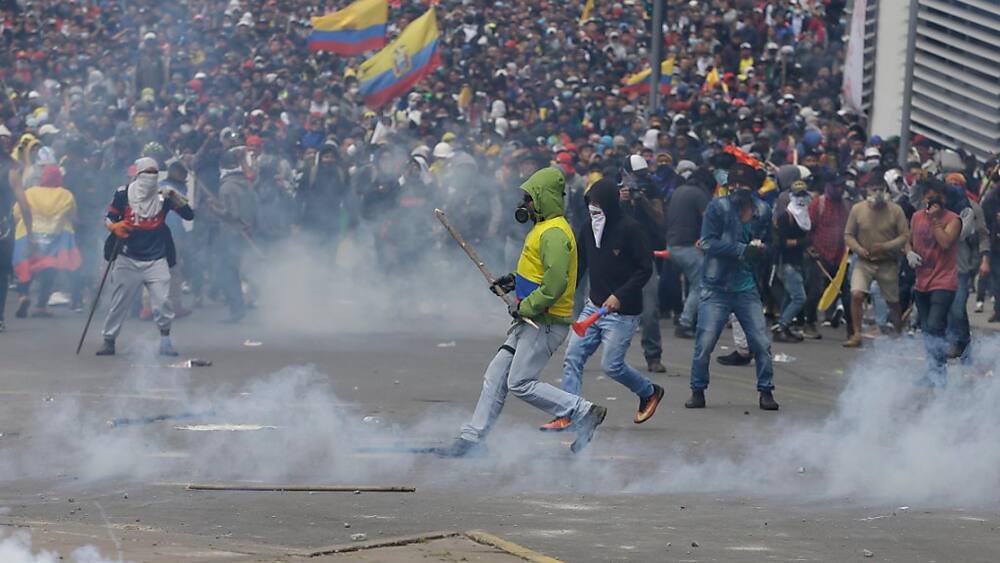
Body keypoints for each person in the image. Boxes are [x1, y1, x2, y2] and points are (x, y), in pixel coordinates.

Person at [437, 167, 606, 458]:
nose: (524, 204)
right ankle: (472, 438)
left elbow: (554, 286)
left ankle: (583, 411)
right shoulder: (543, 229)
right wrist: (514, 280)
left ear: (544, 198)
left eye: (529, 198)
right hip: (531, 320)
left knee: (520, 382)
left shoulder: (554, 233)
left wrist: (523, 306)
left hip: (545, 322)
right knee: (495, 375)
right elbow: (539, 273)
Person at [539, 179, 664, 432]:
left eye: (598, 204)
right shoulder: (587, 228)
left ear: (609, 203)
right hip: (592, 307)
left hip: (623, 313)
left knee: (611, 366)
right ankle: (570, 412)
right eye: (590, 204)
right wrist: (560, 295)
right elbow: (580, 266)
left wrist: (619, 295)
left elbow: (644, 269)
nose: (593, 209)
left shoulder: (631, 229)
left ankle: (649, 392)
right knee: (572, 357)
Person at [685, 163, 779, 411]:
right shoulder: (718, 207)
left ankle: (766, 391)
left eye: (742, 185)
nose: (737, 189)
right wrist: (741, 250)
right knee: (705, 342)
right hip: (717, 287)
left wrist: (761, 251)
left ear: (752, 188)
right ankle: (697, 390)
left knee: (761, 342)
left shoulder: (763, 210)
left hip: (747, 287)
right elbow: (706, 242)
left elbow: (770, 244)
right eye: (733, 185)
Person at [96, 157, 194, 357]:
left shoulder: (164, 196)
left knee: (163, 301)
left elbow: (189, 215)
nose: (150, 176)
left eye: (154, 172)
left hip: (156, 257)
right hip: (127, 256)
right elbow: (109, 218)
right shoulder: (123, 194)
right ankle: (109, 340)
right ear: (137, 174)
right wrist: (113, 227)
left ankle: (165, 340)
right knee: (119, 302)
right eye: (146, 172)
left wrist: (176, 197)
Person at [906, 180, 961, 386]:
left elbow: (945, 242)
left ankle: (939, 374)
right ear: (923, 199)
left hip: (944, 282)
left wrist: (935, 220)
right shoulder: (916, 217)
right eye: (930, 198)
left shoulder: (953, 219)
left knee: (935, 326)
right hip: (922, 282)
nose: (934, 202)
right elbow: (907, 239)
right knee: (928, 330)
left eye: (938, 198)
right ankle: (933, 370)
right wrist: (908, 252)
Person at [843, 177, 909, 347]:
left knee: (892, 302)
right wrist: (858, 249)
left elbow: (904, 236)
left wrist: (886, 246)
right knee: (857, 294)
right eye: (874, 189)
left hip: (887, 262)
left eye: (881, 189)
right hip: (864, 261)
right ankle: (857, 334)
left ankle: (898, 331)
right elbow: (848, 235)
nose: (877, 193)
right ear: (867, 191)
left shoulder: (896, 210)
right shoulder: (858, 209)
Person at [11, 165, 80, 318]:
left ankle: (24, 296)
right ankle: (41, 306)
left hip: (29, 235)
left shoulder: (30, 192)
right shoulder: (66, 195)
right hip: (54, 238)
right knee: (49, 270)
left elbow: (17, 213)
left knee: (26, 268)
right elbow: (74, 217)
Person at [620, 155, 667, 373]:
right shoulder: (614, 189)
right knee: (606, 309)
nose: (640, 180)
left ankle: (653, 355)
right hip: (619, 258)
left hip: (644, 257)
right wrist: (620, 200)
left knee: (649, 312)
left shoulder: (652, 189)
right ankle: (582, 353)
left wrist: (643, 200)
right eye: (636, 176)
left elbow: (659, 217)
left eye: (643, 175)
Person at [666, 168, 712, 339]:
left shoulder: (679, 190)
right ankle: (685, 323)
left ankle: (688, 317)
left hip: (672, 244)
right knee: (700, 284)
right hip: (687, 247)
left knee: (691, 284)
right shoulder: (699, 194)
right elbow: (709, 219)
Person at [212, 150, 255, 323]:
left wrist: (214, 209)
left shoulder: (226, 187)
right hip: (246, 232)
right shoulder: (247, 184)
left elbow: (231, 214)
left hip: (231, 234)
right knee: (236, 270)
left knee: (228, 273)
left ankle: (237, 309)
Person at [772, 180, 812, 342]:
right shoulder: (785, 217)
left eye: (803, 194)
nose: (801, 198)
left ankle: (784, 328)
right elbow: (780, 242)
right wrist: (801, 243)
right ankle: (781, 325)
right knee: (799, 297)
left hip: (798, 261)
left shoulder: (804, 215)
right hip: (786, 263)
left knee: (789, 296)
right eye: (797, 195)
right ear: (791, 196)